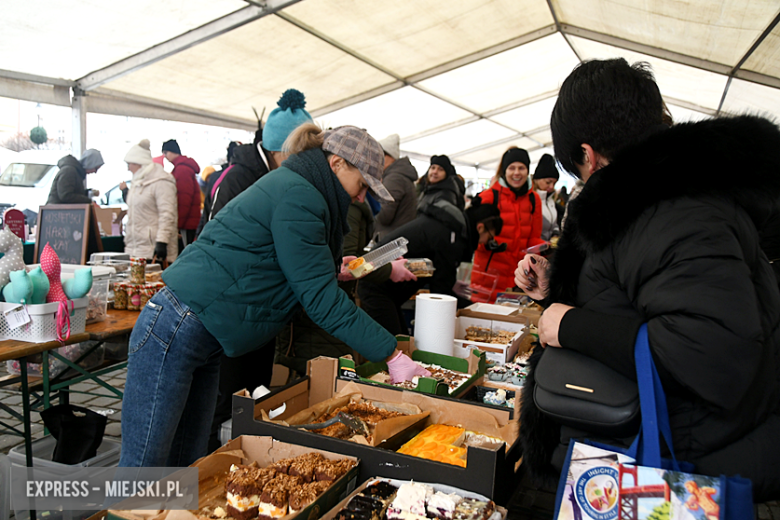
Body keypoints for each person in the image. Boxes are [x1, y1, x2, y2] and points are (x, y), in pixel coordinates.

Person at [514, 58, 780, 501]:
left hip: (680, 468)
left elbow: (711, 352)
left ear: (588, 154)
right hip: (652, 445)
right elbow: (642, 297)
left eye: (575, 167)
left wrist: (572, 325)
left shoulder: (675, 210)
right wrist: (555, 290)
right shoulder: (659, 198)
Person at [120, 124, 429, 467]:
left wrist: (328, 267)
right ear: (337, 163)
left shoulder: (303, 190)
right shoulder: (302, 196)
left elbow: (280, 259)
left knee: (185, 459)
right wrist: (390, 353)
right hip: (177, 326)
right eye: (363, 185)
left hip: (202, 331)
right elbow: (321, 302)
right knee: (144, 465)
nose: (361, 197)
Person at [205, 89, 313, 453]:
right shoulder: (237, 179)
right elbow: (217, 248)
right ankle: (214, 463)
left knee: (258, 392)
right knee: (228, 397)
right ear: (281, 151)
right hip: (233, 310)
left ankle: (248, 456)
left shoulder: (280, 178)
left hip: (263, 311)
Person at [358, 200, 503, 335]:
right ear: (480, 227)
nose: (484, 243)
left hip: (383, 288)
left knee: (401, 341)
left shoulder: (446, 226)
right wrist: (475, 308)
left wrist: (449, 281)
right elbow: (441, 292)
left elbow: (436, 273)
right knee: (393, 347)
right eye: (489, 238)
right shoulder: (451, 236)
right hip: (377, 287)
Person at [470, 147, 543, 303]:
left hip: (518, 281)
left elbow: (534, 237)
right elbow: (472, 235)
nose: (516, 172)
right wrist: (487, 244)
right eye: (512, 168)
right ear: (504, 171)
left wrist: (545, 249)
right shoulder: (488, 197)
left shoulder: (533, 199)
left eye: (521, 168)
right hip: (488, 278)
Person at [122, 139, 178, 264]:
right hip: (135, 250)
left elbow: (167, 214)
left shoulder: (161, 182)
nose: (128, 168)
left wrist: (162, 242)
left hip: (153, 251)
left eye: (129, 164)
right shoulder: (137, 183)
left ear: (139, 163)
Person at [373, 134, 418, 240]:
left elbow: (384, 216)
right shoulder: (399, 175)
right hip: (398, 237)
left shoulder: (394, 178)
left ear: (388, 156)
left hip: (391, 240)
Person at [162, 139, 201, 251]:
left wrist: (178, 225)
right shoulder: (182, 168)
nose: (165, 157)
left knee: (185, 253)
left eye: (165, 153)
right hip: (189, 221)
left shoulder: (182, 169)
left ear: (171, 151)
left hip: (186, 223)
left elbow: (184, 200)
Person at [531, 154, 560, 241]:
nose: (551, 186)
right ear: (536, 180)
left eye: (554, 183)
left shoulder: (551, 200)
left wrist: (555, 234)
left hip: (547, 249)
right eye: (548, 182)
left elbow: (554, 224)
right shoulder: (530, 200)